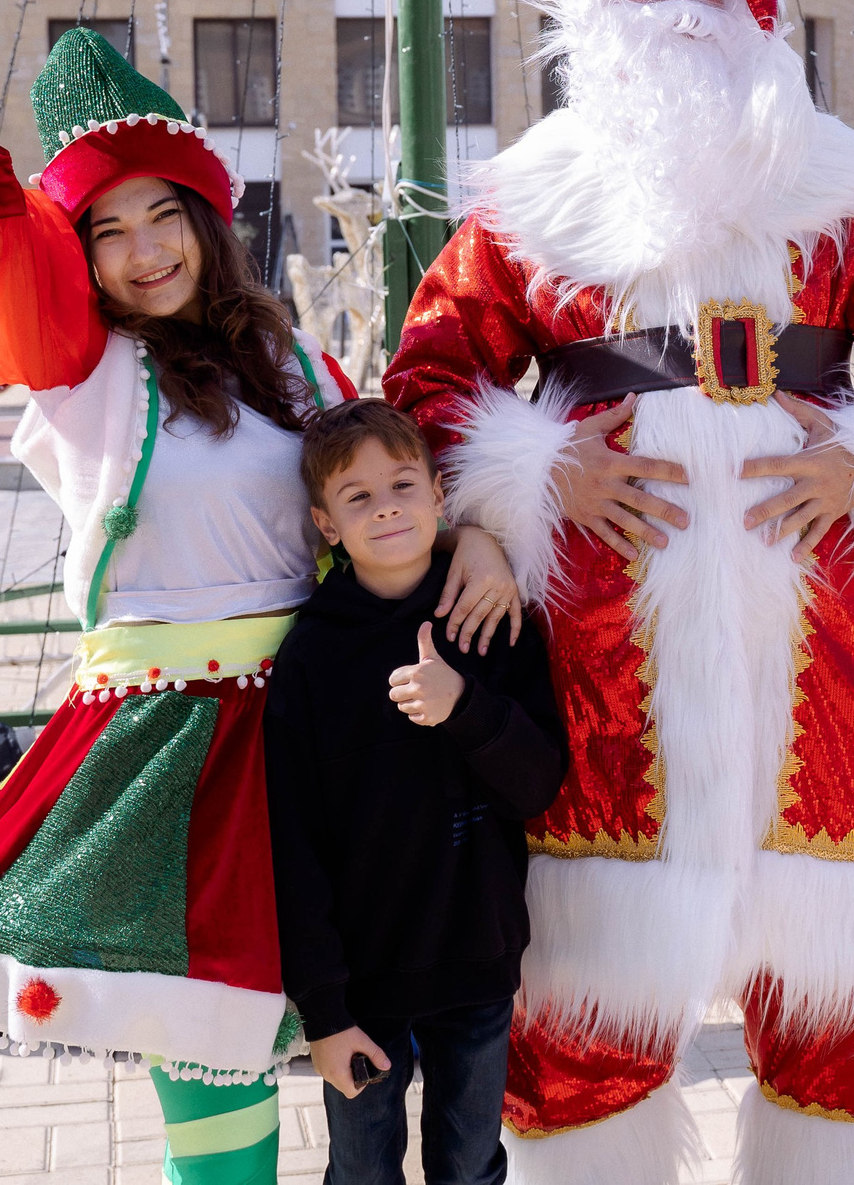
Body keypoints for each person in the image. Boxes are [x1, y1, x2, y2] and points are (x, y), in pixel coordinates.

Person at [0, 0, 524, 1185]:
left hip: (326, 720)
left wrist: (485, 533)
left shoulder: (298, 368)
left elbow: (394, 481)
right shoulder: (86, 368)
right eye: (109, 230)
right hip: (177, 744)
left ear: (212, 223)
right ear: (80, 259)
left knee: (376, 1045)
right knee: (210, 1063)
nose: (147, 248)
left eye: (169, 214)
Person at [381, 0, 854, 1183]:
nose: (669, 4)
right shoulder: (533, 196)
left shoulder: (842, 181)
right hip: (607, 648)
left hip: (833, 640)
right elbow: (429, 373)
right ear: (589, 18)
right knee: (587, 1024)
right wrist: (536, 474)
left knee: (842, 1022)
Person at [267, 401, 566, 1185]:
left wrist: (462, 707)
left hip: (477, 964)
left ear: (440, 495)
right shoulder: (309, 659)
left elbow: (537, 784)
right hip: (363, 987)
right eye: (357, 497)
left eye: (401, 484)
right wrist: (324, 1014)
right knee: (363, 1173)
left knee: (469, 1170)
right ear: (325, 524)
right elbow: (293, 850)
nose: (386, 506)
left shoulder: (490, 620)